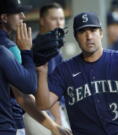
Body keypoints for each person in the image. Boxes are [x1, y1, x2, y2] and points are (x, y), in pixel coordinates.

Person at [35, 3, 118, 135]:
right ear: (76, 37)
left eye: (93, 30)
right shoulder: (65, 69)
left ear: (101, 33)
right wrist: (41, 71)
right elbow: (43, 104)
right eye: (82, 32)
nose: (89, 37)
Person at [0, 0, 71, 135]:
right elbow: (24, 95)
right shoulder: (9, 49)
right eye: (17, 13)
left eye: (61, 19)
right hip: (11, 124)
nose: (23, 16)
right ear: (4, 18)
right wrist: (54, 125)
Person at [24, 3, 70, 135]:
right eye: (54, 18)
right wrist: (58, 120)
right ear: (42, 21)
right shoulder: (37, 47)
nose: (59, 23)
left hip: (53, 110)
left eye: (61, 19)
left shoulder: (55, 46)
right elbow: (48, 87)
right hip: (36, 111)